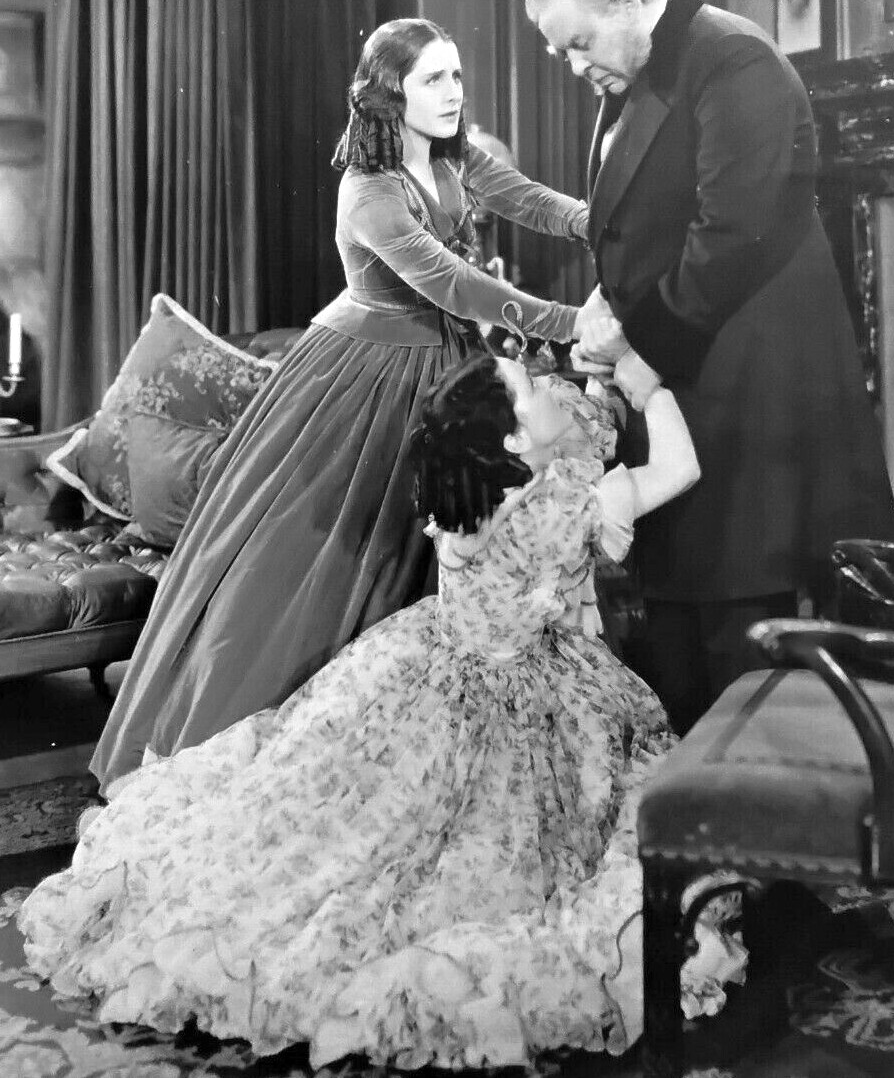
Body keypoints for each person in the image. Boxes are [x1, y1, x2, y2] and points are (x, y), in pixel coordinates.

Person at [20, 355, 744, 1068]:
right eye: (532, 387)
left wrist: (590, 385)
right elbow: (679, 468)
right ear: (516, 438)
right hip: (522, 696)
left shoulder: (472, 493)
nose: (548, 385)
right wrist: (652, 384)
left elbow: (565, 426)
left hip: (424, 667)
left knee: (359, 825)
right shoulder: (563, 506)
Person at [90, 17, 596, 794]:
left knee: (455, 555)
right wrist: (570, 322)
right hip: (365, 376)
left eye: (457, 75)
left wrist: (599, 221)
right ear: (390, 94)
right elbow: (451, 283)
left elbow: (530, 200)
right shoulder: (369, 190)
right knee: (339, 563)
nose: (452, 92)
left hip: (446, 368)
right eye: (433, 79)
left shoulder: (459, 156)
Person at [525, 0, 894, 734]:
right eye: (561, 53)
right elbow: (642, 226)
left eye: (579, 43)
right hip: (693, 387)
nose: (574, 65)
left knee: (741, 655)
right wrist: (604, 310)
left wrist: (637, 345)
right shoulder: (639, 70)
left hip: (749, 401)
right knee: (684, 650)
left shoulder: (733, 60)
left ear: (627, 1)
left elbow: (731, 235)